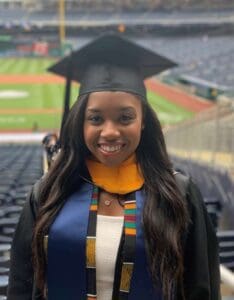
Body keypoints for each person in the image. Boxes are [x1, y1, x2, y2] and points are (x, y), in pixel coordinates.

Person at [7, 34, 221, 300]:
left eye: (125, 117)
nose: (109, 131)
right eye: (95, 118)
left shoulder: (179, 195)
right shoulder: (49, 193)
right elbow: (22, 288)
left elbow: (202, 289)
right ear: (80, 123)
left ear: (143, 121)